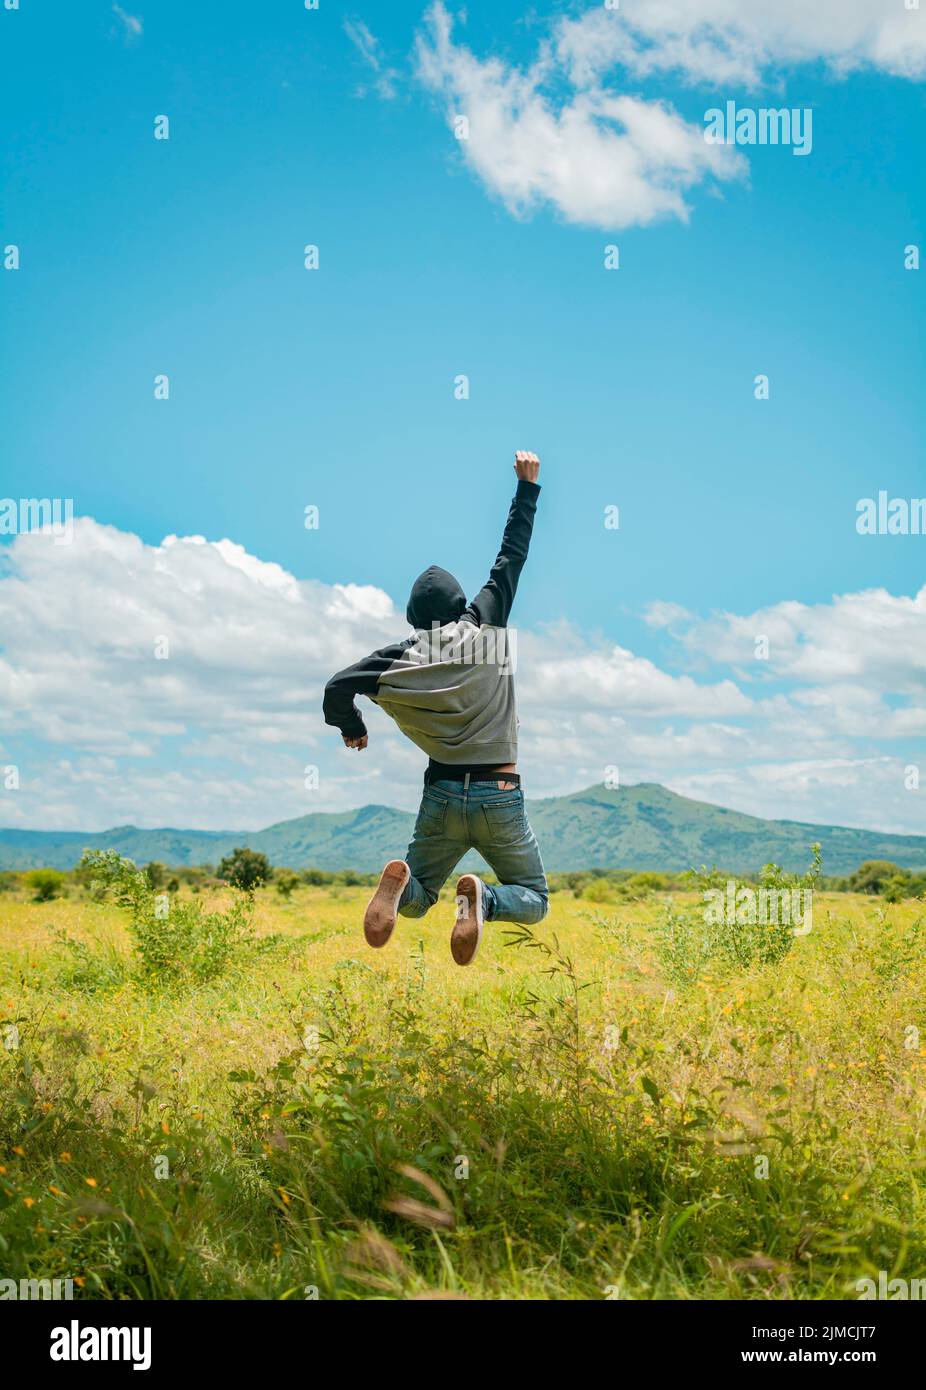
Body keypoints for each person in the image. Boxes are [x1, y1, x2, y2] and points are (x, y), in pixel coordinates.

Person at [323, 451, 548, 965]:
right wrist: (527, 488)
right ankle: (484, 899)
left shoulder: (399, 660)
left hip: (441, 795)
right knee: (534, 900)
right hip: (499, 791)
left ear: (414, 616)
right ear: (460, 603)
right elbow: (511, 555)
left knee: (420, 896)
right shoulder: (485, 627)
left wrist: (352, 727)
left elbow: (337, 686)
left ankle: (400, 887)